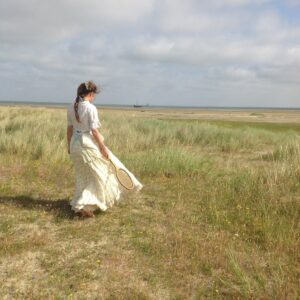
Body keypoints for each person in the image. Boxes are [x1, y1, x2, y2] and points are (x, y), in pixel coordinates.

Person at [67, 81, 143, 218]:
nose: (94, 97)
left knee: (84, 176)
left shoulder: (71, 107)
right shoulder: (90, 108)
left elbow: (69, 129)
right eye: (94, 95)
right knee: (102, 175)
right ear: (91, 94)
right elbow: (94, 131)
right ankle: (85, 205)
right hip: (86, 145)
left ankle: (82, 204)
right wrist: (103, 148)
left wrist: (69, 147)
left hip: (75, 145)